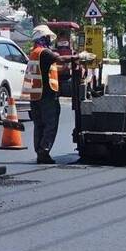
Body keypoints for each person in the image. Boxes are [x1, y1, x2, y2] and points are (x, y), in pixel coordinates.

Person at [22, 25, 84, 164]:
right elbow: (60, 59)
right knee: (50, 124)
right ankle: (44, 151)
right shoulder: (44, 52)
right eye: (48, 37)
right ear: (43, 38)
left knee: (39, 125)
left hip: (36, 95)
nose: (50, 40)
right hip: (47, 95)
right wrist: (78, 57)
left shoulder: (34, 52)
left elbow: (50, 68)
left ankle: (39, 151)